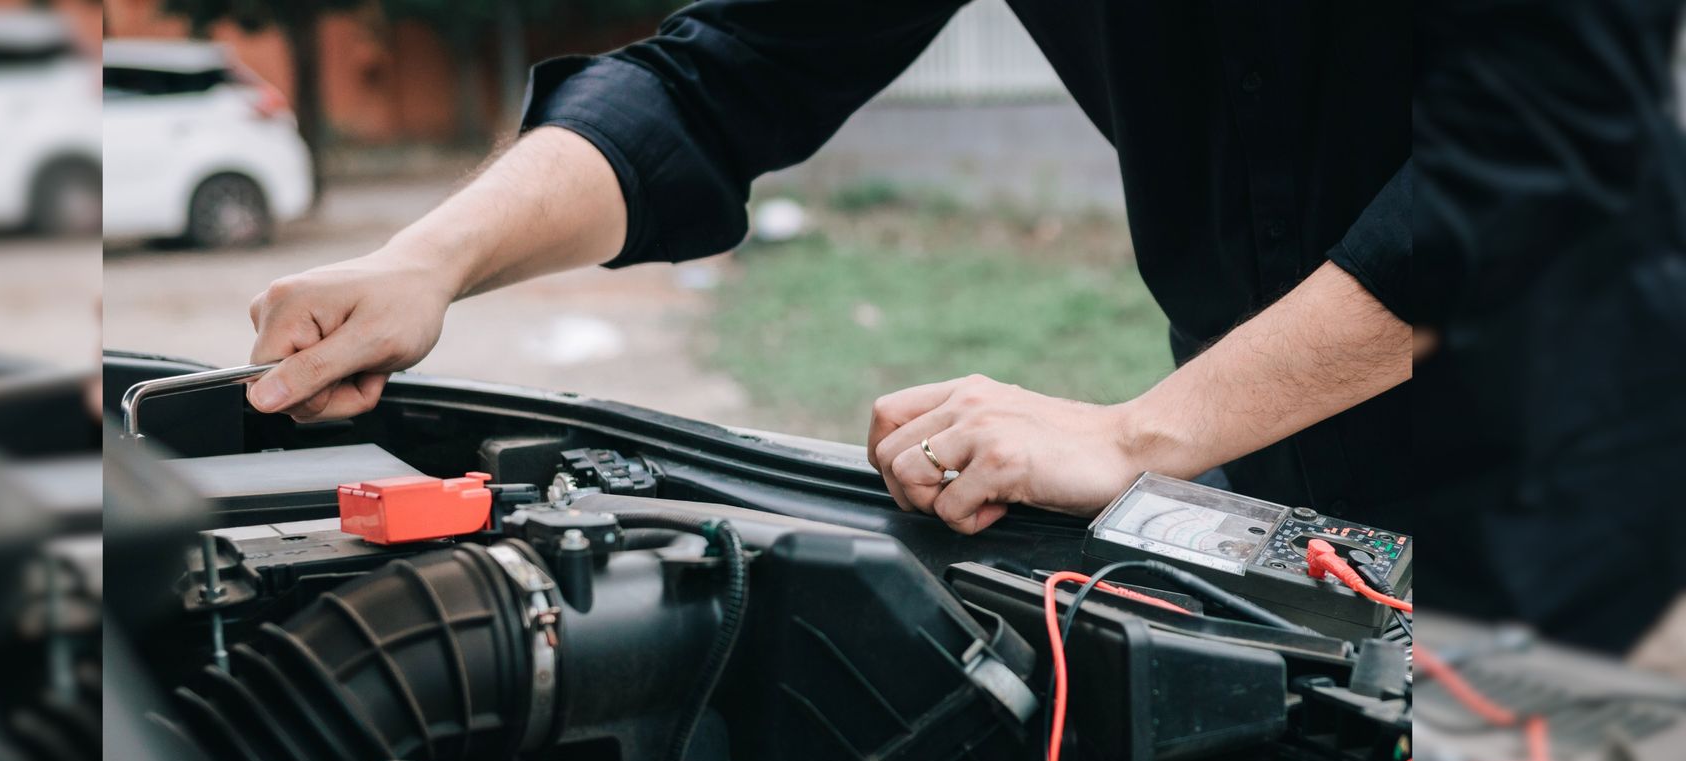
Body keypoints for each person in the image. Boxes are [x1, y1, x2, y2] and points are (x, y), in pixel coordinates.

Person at [245, 1, 1413, 534]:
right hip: (1264, 510)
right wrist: (429, 259)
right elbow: (720, 81)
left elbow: (1528, 181)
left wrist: (1132, 436)